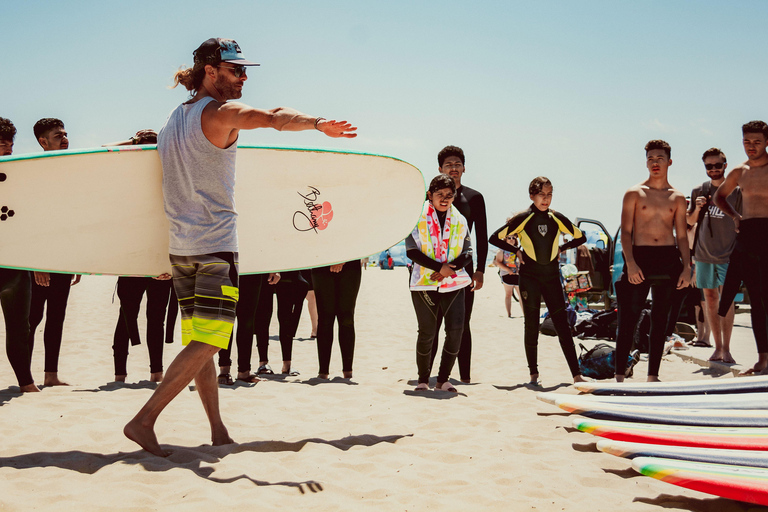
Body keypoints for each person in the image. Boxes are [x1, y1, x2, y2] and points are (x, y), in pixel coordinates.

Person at [123, 37, 357, 457]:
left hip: (182, 247)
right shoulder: (220, 112)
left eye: (245, 71)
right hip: (214, 246)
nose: (244, 78)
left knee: (201, 342)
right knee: (213, 340)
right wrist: (319, 124)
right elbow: (273, 118)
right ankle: (144, 420)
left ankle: (217, 429)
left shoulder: (174, 119)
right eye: (236, 70)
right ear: (210, 72)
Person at [489, 176, 587, 385]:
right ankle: (533, 374)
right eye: (541, 194)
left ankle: (576, 374)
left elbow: (580, 237)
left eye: (549, 194)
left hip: (551, 276)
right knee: (531, 325)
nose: (546, 199)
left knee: (562, 325)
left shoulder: (556, 218)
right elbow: (494, 238)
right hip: (530, 277)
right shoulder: (524, 218)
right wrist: (516, 250)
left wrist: (562, 248)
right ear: (532, 195)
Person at [614, 140, 690, 383]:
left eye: (659, 158)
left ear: (669, 161)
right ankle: (619, 376)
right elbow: (626, 232)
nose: (654, 163)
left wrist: (688, 267)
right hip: (640, 256)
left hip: (667, 258)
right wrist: (631, 263)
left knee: (660, 320)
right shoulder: (634, 193)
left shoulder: (677, 197)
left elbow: (682, 236)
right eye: (650, 159)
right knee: (628, 317)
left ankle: (653, 376)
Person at [104, 130, 177, 383]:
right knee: (126, 317)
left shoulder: (170, 178)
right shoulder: (126, 183)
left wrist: (168, 265)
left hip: (161, 264)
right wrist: (134, 142)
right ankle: (119, 375)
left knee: (156, 319)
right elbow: (104, 148)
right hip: (133, 262)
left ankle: (156, 373)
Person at [406, 174, 472, 392]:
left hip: (453, 282)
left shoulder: (460, 219)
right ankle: (423, 379)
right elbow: (412, 250)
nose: (444, 199)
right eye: (439, 195)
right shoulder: (416, 216)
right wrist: (438, 268)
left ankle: (443, 379)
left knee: (456, 330)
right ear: (429, 195)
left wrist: (447, 270)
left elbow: (468, 253)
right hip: (424, 282)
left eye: (449, 195)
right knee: (427, 332)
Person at [28, 118, 81, 387]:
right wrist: (37, 262)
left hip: (63, 258)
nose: (65, 138)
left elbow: (73, 220)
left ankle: (51, 376)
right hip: (38, 260)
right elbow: (32, 220)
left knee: (56, 317)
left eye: (65, 134)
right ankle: (24, 378)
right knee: (32, 319)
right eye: (58, 135)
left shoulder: (70, 171)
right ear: (43, 142)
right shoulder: (35, 172)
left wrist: (76, 259)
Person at [714, 120, 768, 375]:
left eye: (757, 142)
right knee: (757, 300)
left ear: (767, 142)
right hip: (749, 234)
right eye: (747, 141)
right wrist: (735, 216)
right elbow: (719, 196)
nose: (751, 147)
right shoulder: (739, 171)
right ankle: (763, 359)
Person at [429, 145, 487, 384]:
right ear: (440, 168)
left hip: (463, 268)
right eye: (448, 165)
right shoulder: (428, 197)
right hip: (432, 270)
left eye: (457, 164)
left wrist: (480, 271)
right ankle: (427, 374)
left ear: (464, 167)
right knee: (432, 323)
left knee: (462, 323)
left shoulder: (473, 198)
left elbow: (481, 237)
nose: (453, 168)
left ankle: (464, 376)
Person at [687, 148, 741, 363]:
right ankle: (717, 347)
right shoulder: (699, 190)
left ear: (725, 165)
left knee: (726, 302)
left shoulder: (737, 191)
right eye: (709, 166)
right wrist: (697, 209)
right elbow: (689, 222)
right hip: (703, 254)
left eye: (717, 165)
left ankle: (726, 349)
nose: (714, 169)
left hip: (729, 254)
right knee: (710, 300)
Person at [0, 117, 39, 392]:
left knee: (20, 329)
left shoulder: (21, 177)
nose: (10, 148)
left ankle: (26, 384)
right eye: (3, 143)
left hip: (15, 263)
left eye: (11, 143)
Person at [311, 261, 362, 379]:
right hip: (321, 263)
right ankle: (323, 371)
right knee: (324, 318)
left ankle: (348, 370)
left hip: (350, 264)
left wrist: (341, 260)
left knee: (346, 318)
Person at [253, 270, 307, 376]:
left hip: (286, 269)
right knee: (263, 315)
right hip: (264, 270)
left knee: (286, 316)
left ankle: (287, 364)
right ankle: (263, 362)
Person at [495, 232, 522, 318]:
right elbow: (498, 262)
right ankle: (509, 314)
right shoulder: (501, 250)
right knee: (508, 294)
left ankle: (525, 314)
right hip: (506, 274)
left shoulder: (518, 250)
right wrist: (508, 270)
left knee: (521, 295)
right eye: (509, 238)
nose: (511, 240)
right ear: (505, 239)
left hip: (517, 274)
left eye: (513, 238)